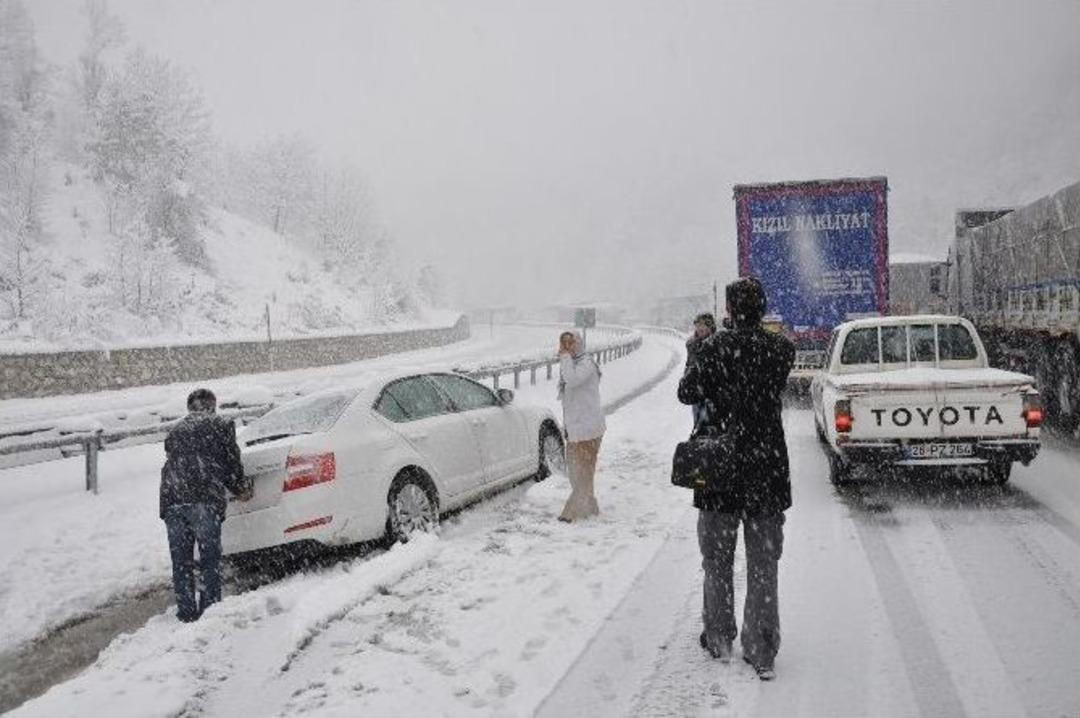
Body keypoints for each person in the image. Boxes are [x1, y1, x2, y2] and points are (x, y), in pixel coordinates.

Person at [677, 277, 795, 680]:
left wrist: (701, 356)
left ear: (729, 309)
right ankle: (761, 647)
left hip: (719, 469)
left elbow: (686, 393)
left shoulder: (711, 349)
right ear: (762, 308)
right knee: (764, 563)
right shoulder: (781, 348)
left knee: (716, 559)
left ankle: (719, 635)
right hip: (765, 469)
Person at [160, 388, 251, 622]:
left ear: (190, 408)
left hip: (172, 500)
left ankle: (186, 613)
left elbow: (176, 459)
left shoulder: (176, 430)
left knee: (181, 562)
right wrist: (240, 489)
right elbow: (231, 461)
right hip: (203, 498)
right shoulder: (220, 425)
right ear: (213, 405)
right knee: (209, 558)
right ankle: (210, 610)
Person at [556, 330, 605, 522]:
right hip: (575, 428)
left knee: (583, 471)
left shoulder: (586, 364)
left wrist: (565, 357)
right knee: (577, 472)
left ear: (580, 343)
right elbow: (567, 395)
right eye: (565, 342)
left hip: (589, 428)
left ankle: (571, 512)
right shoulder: (572, 364)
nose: (568, 346)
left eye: (572, 342)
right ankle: (590, 505)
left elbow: (572, 380)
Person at [685, 313, 717, 430]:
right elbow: (689, 365)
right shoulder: (691, 344)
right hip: (697, 390)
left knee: (712, 423)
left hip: (713, 391)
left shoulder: (718, 343)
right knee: (698, 423)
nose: (700, 328)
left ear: (710, 327)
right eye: (698, 325)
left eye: (703, 325)